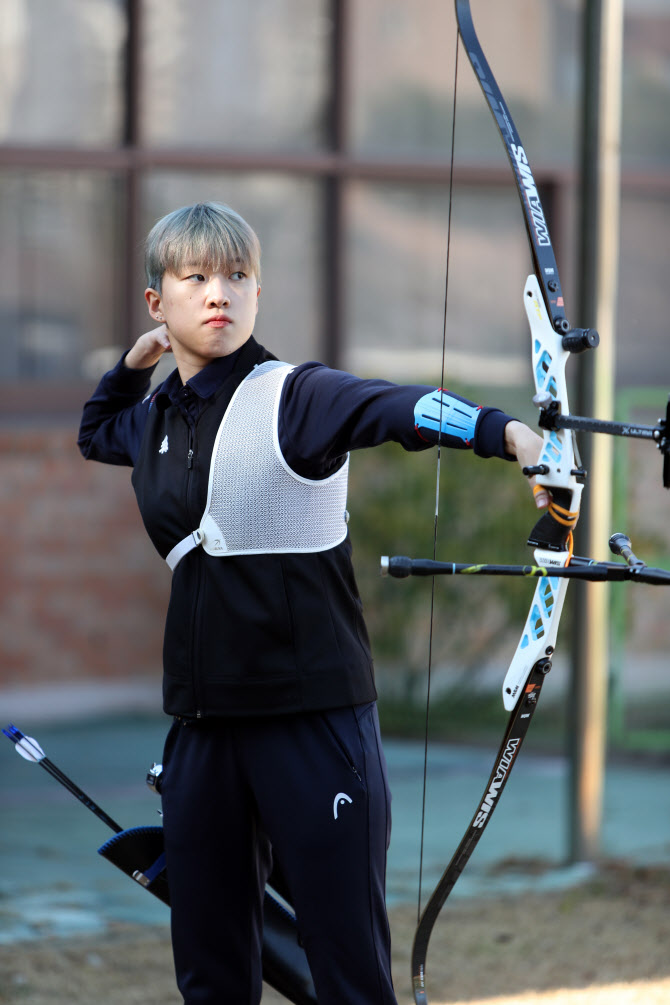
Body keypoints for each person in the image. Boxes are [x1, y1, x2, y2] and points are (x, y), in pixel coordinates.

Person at [78, 201, 547, 1005]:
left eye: (237, 276)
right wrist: (133, 363)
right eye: (195, 278)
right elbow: (95, 431)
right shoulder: (153, 419)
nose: (219, 292)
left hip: (313, 721)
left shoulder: (295, 396)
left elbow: (397, 408)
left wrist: (510, 436)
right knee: (211, 968)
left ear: (259, 293)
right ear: (159, 301)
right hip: (202, 728)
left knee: (347, 967)